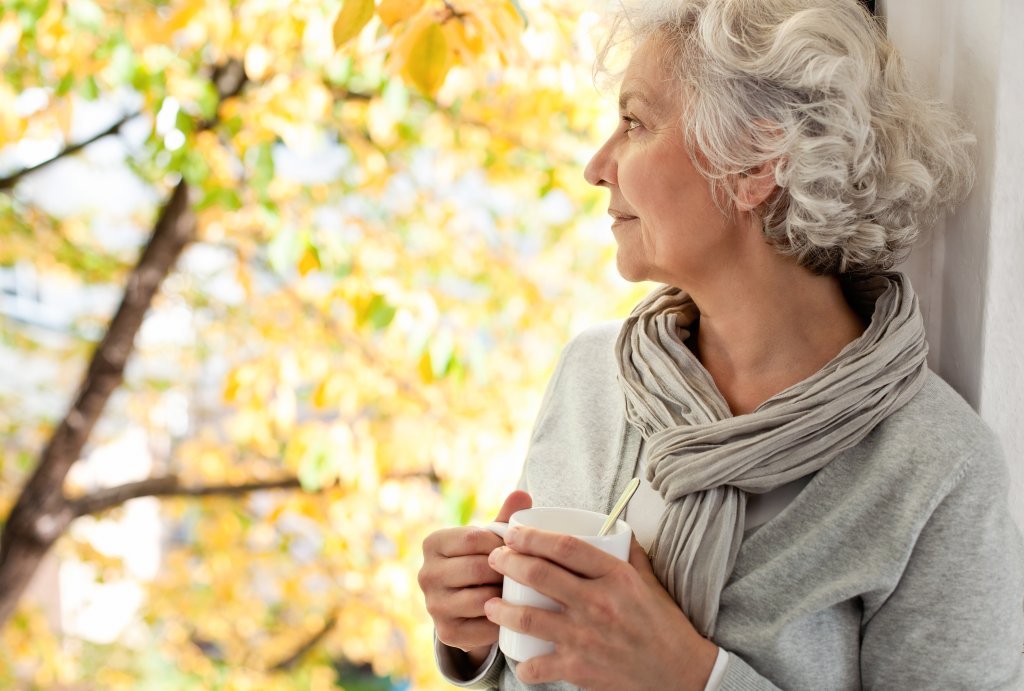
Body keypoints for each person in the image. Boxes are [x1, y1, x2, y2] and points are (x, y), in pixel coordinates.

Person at [416, 0, 1024, 688]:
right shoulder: (593, 376)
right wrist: (478, 635)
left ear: (754, 161)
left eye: (634, 122)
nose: (596, 166)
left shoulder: (935, 471)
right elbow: (535, 664)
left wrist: (692, 676)